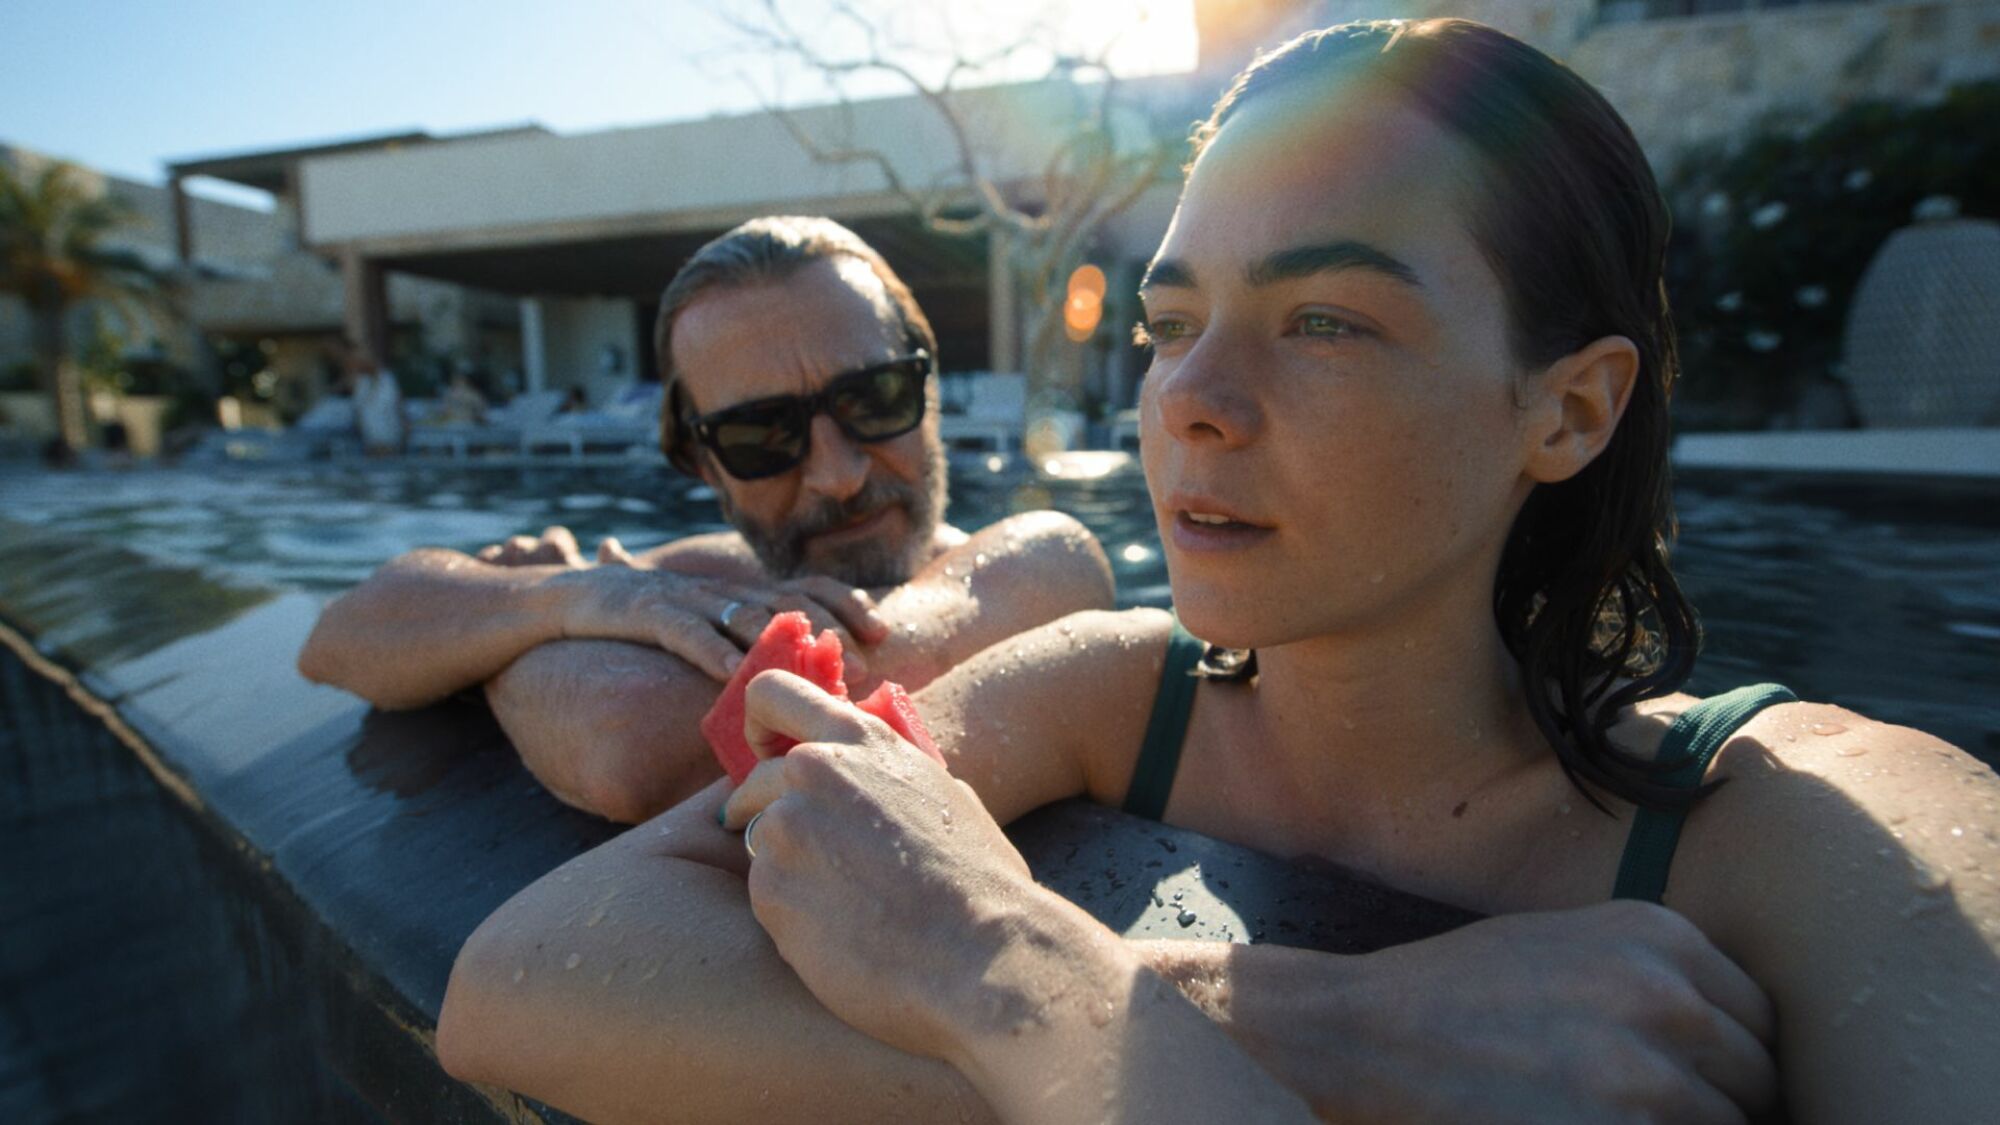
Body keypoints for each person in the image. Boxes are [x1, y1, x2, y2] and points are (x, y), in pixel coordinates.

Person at [437, 19, 2000, 1124]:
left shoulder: (1818, 833)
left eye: (1325, 319)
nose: (1187, 399)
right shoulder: (1118, 689)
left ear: (1568, 406)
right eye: (1170, 321)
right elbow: (517, 986)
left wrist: (1001, 967)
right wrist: (1328, 1032)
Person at [299, 217, 1114, 823]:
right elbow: (339, 637)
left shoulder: (1039, 565)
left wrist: (509, 632)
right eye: (762, 436)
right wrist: (566, 598)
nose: (839, 473)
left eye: (876, 398)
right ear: (700, 463)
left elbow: (631, 744)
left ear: (929, 393)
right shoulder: (686, 584)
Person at [344, 345, 405, 455]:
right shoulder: (361, 383)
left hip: (392, 444)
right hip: (370, 446)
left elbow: (399, 409)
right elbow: (358, 414)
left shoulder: (388, 380)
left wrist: (402, 441)